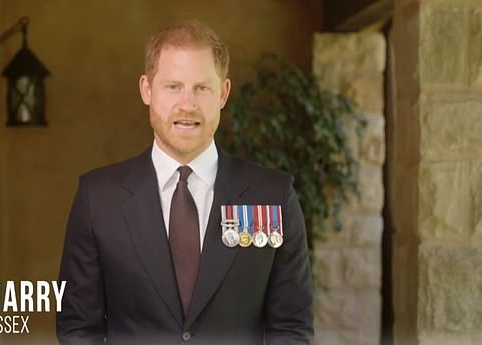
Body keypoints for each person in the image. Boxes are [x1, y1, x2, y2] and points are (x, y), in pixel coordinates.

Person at [57, 20, 313, 345]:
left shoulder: (273, 196)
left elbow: (291, 327)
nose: (187, 104)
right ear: (146, 90)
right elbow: (78, 329)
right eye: (173, 86)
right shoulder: (98, 199)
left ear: (223, 93)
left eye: (201, 88)